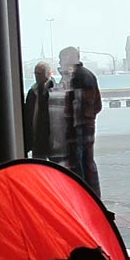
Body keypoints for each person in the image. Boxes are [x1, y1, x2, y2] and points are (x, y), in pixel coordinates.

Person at [58, 45, 102, 195]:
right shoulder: (84, 75)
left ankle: (85, 197)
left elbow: (76, 108)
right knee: (87, 162)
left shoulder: (79, 77)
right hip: (85, 127)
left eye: (61, 60)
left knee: (80, 164)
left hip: (79, 129)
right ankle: (92, 197)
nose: (59, 63)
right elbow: (96, 106)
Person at [23, 60, 58, 161]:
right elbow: (29, 115)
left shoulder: (54, 90)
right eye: (35, 73)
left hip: (51, 137)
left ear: (47, 73)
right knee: (38, 166)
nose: (37, 76)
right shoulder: (32, 92)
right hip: (36, 138)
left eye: (39, 73)